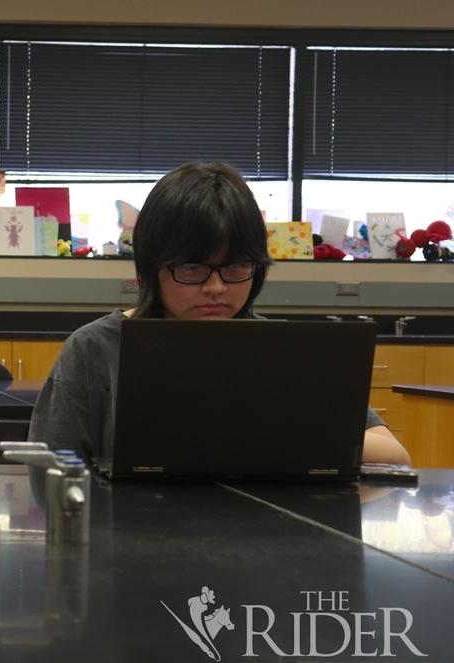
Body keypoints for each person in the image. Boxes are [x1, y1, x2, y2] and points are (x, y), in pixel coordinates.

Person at [28, 160, 410, 466]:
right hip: (129, 533)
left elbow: (393, 454)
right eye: (192, 267)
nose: (215, 287)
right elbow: (50, 471)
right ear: (151, 267)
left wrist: (276, 432)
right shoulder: (95, 349)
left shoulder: (284, 350)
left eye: (236, 266)